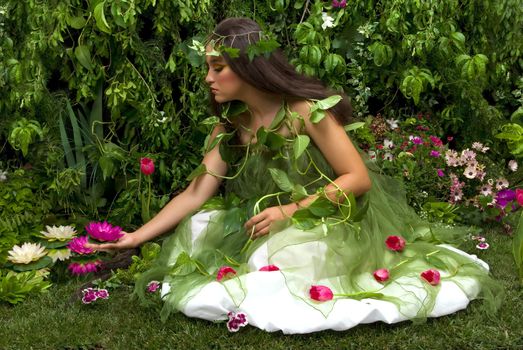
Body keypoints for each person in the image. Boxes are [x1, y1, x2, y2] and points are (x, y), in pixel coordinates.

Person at [87, 18, 501, 334]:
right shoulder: (228, 126)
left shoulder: (305, 112)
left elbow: (357, 178)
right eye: (208, 68)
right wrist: (137, 236)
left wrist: (293, 210)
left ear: (248, 67)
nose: (209, 79)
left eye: (218, 68)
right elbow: (196, 193)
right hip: (262, 219)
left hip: (325, 216)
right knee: (200, 229)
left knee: (280, 260)